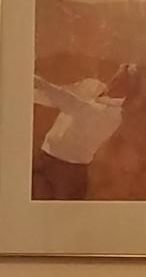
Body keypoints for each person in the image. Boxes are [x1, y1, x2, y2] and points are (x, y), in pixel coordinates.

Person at [31, 68, 134, 200]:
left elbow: (69, 102)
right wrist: (24, 91)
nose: (114, 82)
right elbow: (53, 98)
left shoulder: (114, 115)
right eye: (117, 77)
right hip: (44, 158)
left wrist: (35, 81)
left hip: (68, 174)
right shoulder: (92, 86)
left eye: (123, 81)